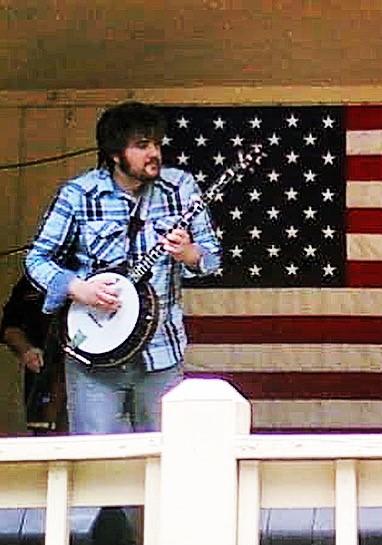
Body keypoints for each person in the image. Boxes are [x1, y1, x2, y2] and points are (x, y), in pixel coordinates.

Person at [25, 101, 222, 434]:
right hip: (94, 357)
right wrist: (78, 288)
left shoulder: (181, 188)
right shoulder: (78, 195)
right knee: (100, 464)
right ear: (115, 154)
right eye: (142, 146)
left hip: (161, 352)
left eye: (157, 144)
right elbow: (36, 259)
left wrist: (189, 254)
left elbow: (213, 259)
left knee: (165, 453)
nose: (154, 153)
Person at [0, 274, 67, 432]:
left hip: (87, 372)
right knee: (46, 438)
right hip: (43, 371)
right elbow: (9, 327)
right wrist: (26, 349)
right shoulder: (30, 280)